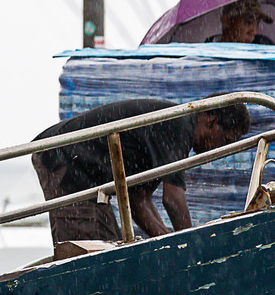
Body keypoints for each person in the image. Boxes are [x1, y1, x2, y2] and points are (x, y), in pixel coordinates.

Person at [32, 98, 250, 245]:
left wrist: (168, 242)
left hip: (89, 178)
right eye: (226, 140)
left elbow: (139, 202)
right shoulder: (179, 125)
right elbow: (173, 200)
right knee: (87, 254)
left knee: (111, 247)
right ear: (212, 121)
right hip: (63, 159)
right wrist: (191, 248)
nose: (221, 149)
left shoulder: (164, 135)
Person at [207, 0, 275, 44]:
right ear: (227, 20)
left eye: (257, 23)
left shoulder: (264, 47)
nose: (254, 32)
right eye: (248, 23)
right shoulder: (206, 53)